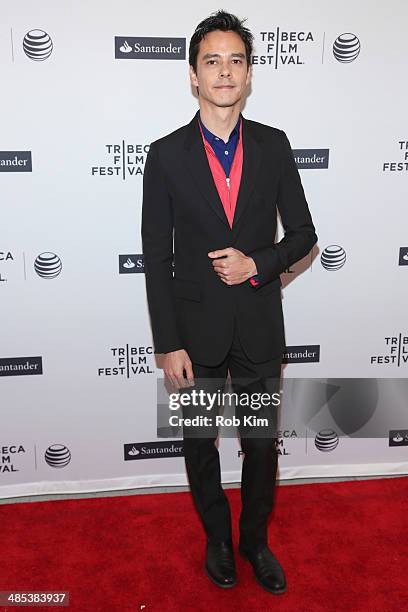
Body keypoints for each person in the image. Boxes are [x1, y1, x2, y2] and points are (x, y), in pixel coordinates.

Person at [141, 9, 317, 595]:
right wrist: (167, 342)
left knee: (262, 446)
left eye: (235, 60)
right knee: (198, 443)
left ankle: (255, 542)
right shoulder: (164, 154)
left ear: (248, 73)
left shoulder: (274, 144)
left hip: (260, 327)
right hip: (193, 332)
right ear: (193, 75)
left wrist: (257, 265)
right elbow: (154, 257)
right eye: (211, 61)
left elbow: (302, 236)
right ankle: (217, 539)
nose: (224, 71)